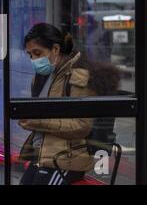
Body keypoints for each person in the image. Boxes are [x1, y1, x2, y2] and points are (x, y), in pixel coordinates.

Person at [18, 23, 120, 185]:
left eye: (38, 53)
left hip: (66, 158)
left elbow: (82, 126)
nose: (34, 60)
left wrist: (37, 122)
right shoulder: (43, 77)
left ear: (56, 49)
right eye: (30, 55)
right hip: (42, 155)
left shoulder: (77, 76)